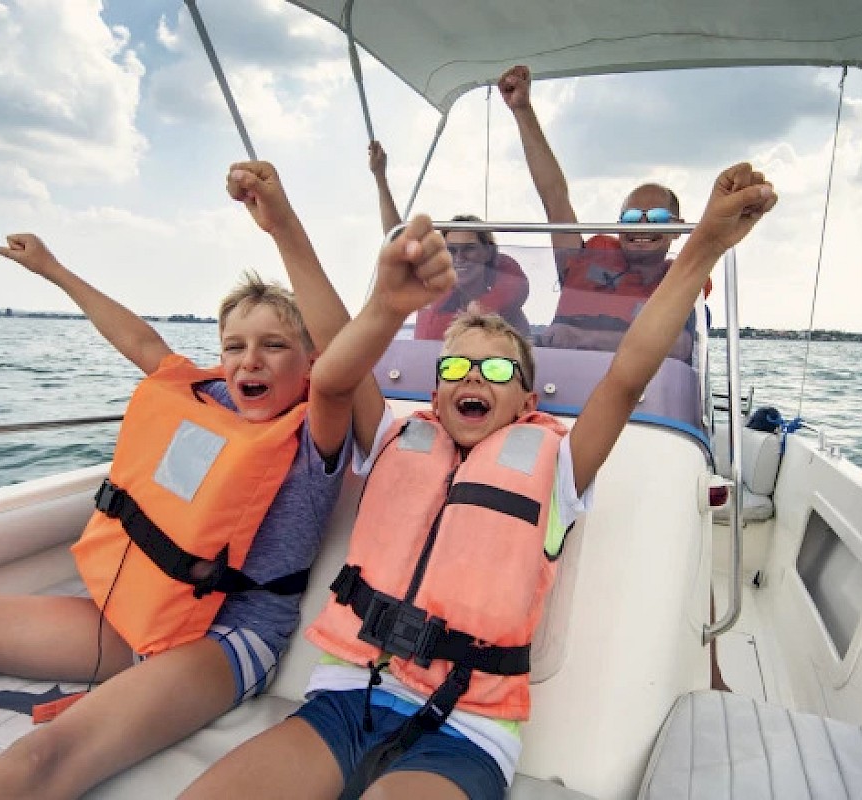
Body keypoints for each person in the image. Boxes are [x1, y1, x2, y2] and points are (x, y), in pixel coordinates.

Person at [181, 161, 776, 800]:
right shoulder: (390, 438)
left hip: (465, 727)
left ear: (526, 401)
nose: (473, 378)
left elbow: (629, 373)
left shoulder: (560, 467)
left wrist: (706, 245)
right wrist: (282, 226)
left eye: (496, 371)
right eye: (458, 365)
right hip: (344, 697)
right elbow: (334, 345)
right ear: (434, 396)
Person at [0, 176, 357, 798]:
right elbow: (141, 341)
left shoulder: (317, 433)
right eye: (234, 345)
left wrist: (282, 224)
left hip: (228, 639)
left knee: (34, 760)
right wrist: (52, 269)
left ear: (310, 361)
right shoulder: (206, 398)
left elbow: (344, 362)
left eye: (274, 345)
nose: (249, 360)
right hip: (141, 615)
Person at [499, 64, 709, 357]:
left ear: (677, 229)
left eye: (658, 218)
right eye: (632, 218)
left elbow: (679, 347)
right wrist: (521, 109)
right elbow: (554, 195)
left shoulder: (681, 281)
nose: (643, 227)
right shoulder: (583, 260)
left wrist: (578, 338)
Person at [369, 139, 531, 338]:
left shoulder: (508, 299)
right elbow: (397, 240)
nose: (459, 257)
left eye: (469, 248)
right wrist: (380, 178)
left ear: (487, 252)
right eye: (451, 250)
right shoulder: (431, 283)